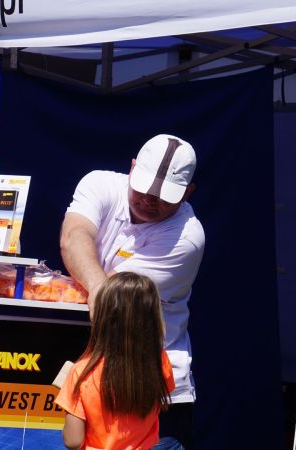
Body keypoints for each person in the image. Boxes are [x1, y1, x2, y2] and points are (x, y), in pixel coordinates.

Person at [59, 134, 205, 449]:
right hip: (96, 385)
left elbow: (118, 296)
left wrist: (96, 287)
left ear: (188, 192)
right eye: (145, 187)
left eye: (164, 195)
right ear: (133, 167)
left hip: (153, 395)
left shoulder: (187, 237)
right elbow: (73, 238)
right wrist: (98, 287)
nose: (150, 200)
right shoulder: (99, 184)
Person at [55, 272, 175, 450]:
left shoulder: (82, 372)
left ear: (103, 315)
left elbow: (73, 441)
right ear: (152, 316)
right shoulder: (160, 361)